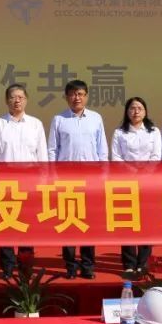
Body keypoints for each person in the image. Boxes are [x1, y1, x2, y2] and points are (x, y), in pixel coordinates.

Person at [0, 83, 48, 279]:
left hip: (29, 182)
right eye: (13, 97)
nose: (17, 101)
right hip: (5, 183)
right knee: (6, 226)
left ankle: (25, 268)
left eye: (20, 97)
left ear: (26, 100)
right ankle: (7, 269)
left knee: (27, 227)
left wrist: (42, 183)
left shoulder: (35, 124)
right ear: (7, 101)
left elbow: (42, 156)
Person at [48, 80, 107, 279]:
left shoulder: (96, 118)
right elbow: (52, 149)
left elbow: (102, 150)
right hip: (66, 179)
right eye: (73, 94)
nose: (77, 98)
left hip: (91, 178)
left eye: (80, 94)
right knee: (69, 223)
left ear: (86, 96)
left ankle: (88, 265)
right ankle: (71, 266)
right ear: (66, 97)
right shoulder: (59, 119)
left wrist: (102, 177)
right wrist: (53, 176)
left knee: (88, 223)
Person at [111, 97, 162, 277]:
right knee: (127, 223)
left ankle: (143, 263)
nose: (136, 111)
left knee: (146, 222)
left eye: (140, 108)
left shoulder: (154, 131)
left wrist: (145, 172)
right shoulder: (119, 133)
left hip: (148, 183)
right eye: (132, 108)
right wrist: (132, 170)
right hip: (126, 183)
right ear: (127, 112)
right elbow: (116, 157)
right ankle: (129, 263)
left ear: (145, 111)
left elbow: (156, 156)